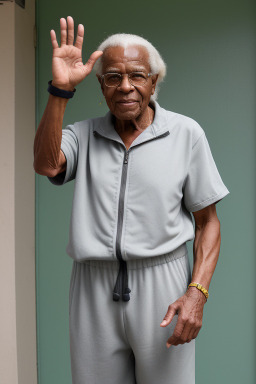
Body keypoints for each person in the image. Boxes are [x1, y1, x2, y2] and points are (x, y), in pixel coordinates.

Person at [33, 15, 230, 384]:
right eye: (113, 77)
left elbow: (208, 222)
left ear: (154, 81)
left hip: (163, 283)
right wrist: (60, 90)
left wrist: (197, 292)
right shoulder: (82, 135)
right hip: (92, 286)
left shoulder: (185, 134)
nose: (125, 86)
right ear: (101, 84)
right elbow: (46, 164)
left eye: (137, 75)